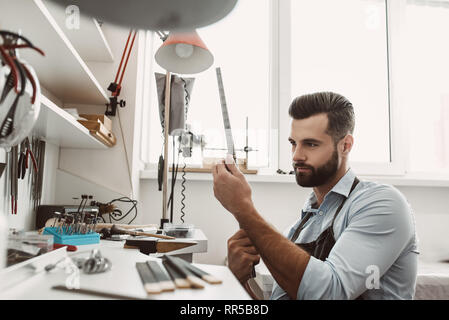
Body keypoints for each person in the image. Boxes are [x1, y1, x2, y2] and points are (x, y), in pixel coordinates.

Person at [212, 92, 419, 300]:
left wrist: (244, 208)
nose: (296, 156)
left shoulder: (383, 204)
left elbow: (330, 293)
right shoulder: (299, 230)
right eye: (294, 143)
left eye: (311, 144)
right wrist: (239, 281)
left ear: (345, 145)